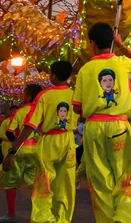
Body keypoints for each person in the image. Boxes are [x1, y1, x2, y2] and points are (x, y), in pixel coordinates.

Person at [71, 22, 131, 222]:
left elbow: (76, 107)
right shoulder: (122, 62)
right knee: (127, 175)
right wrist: (121, 45)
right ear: (112, 41)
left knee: (100, 182)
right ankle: (126, 218)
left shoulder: (85, 70)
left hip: (93, 128)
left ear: (91, 43)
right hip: (119, 125)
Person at [5, 61, 78, 222]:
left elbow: (29, 126)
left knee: (43, 185)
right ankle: (63, 220)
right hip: (69, 141)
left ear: (53, 75)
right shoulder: (75, 94)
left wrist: (12, 151)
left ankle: (43, 219)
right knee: (65, 186)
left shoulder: (44, 95)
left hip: (49, 141)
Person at [0, 83, 42, 223]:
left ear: (28, 96)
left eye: (23, 93)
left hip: (20, 150)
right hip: (38, 151)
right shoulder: (43, 110)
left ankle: (11, 214)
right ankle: (39, 214)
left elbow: (9, 132)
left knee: (11, 182)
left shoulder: (20, 112)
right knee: (36, 184)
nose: (22, 96)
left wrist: (14, 145)